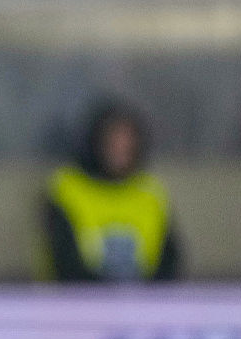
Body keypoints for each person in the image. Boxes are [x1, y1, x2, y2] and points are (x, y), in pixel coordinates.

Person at [41, 98, 182, 282]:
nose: (119, 150)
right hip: (77, 304)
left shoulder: (150, 193)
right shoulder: (67, 188)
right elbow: (63, 260)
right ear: (96, 141)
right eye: (112, 142)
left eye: (126, 143)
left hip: (143, 305)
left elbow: (170, 261)